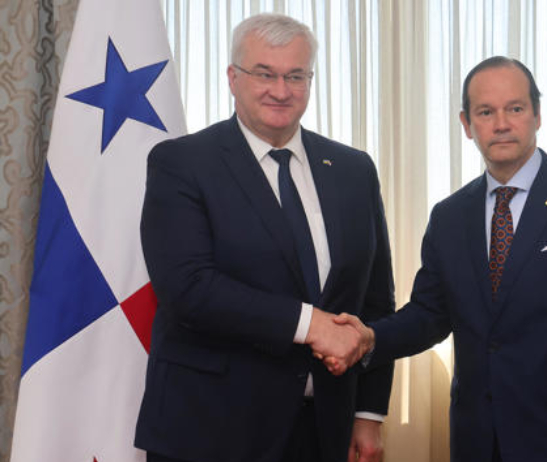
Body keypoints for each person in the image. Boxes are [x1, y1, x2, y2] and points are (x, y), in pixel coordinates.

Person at [330, 57, 547, 462]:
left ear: (537, 115)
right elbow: (430, 315)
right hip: (478, 441)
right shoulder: (449, 217)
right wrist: (369, 338)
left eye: (515, 108)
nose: (501, 124)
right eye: (486, 112)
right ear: (467, 124)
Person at [134, 13, 394, 462]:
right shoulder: (182, 163)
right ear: (233, 78)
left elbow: (374, 299)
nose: (281, 90)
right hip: (210, 431)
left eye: (295, 76)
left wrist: (368, 414)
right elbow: (188, 289)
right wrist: (311, 325)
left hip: (323, 430)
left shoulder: (354, 170)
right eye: (264, 74)